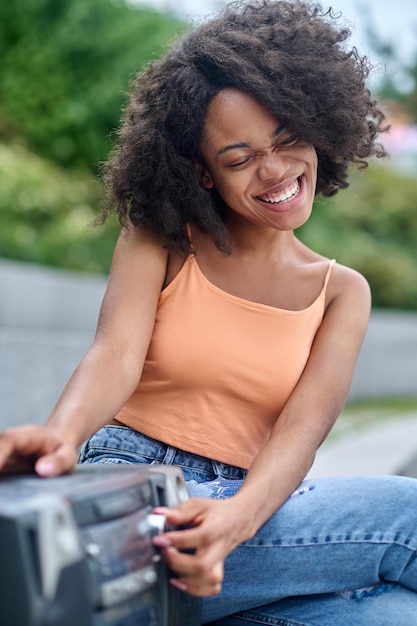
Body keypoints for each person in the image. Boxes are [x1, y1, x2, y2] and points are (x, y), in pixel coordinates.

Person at [1, 1, 417, 624]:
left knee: (390, 614)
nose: (274, 171)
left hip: (255, 515)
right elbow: (114, 355)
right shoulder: (162, 237)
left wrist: (238, 518)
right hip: (146, 496)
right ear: (202, 171)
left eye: (286, 140)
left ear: (318, 128)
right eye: (241, 158)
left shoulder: (342, 293)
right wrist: (59, 440)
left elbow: (300, 433)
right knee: (407, 519)